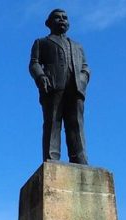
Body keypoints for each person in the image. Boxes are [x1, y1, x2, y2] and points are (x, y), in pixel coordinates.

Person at [29, 8, 90, 165]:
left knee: (76, 123)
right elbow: (34, 63)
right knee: (53, 122)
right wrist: (41, 77)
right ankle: (52, 157)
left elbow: (85, 66)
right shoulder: (42, 42)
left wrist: (83, 78)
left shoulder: (78, 46)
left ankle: (79, 158)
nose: (62, 20)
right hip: (53, 86)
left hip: (76, 88)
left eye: (65, 18)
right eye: (57, 18)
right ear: (49, 23)